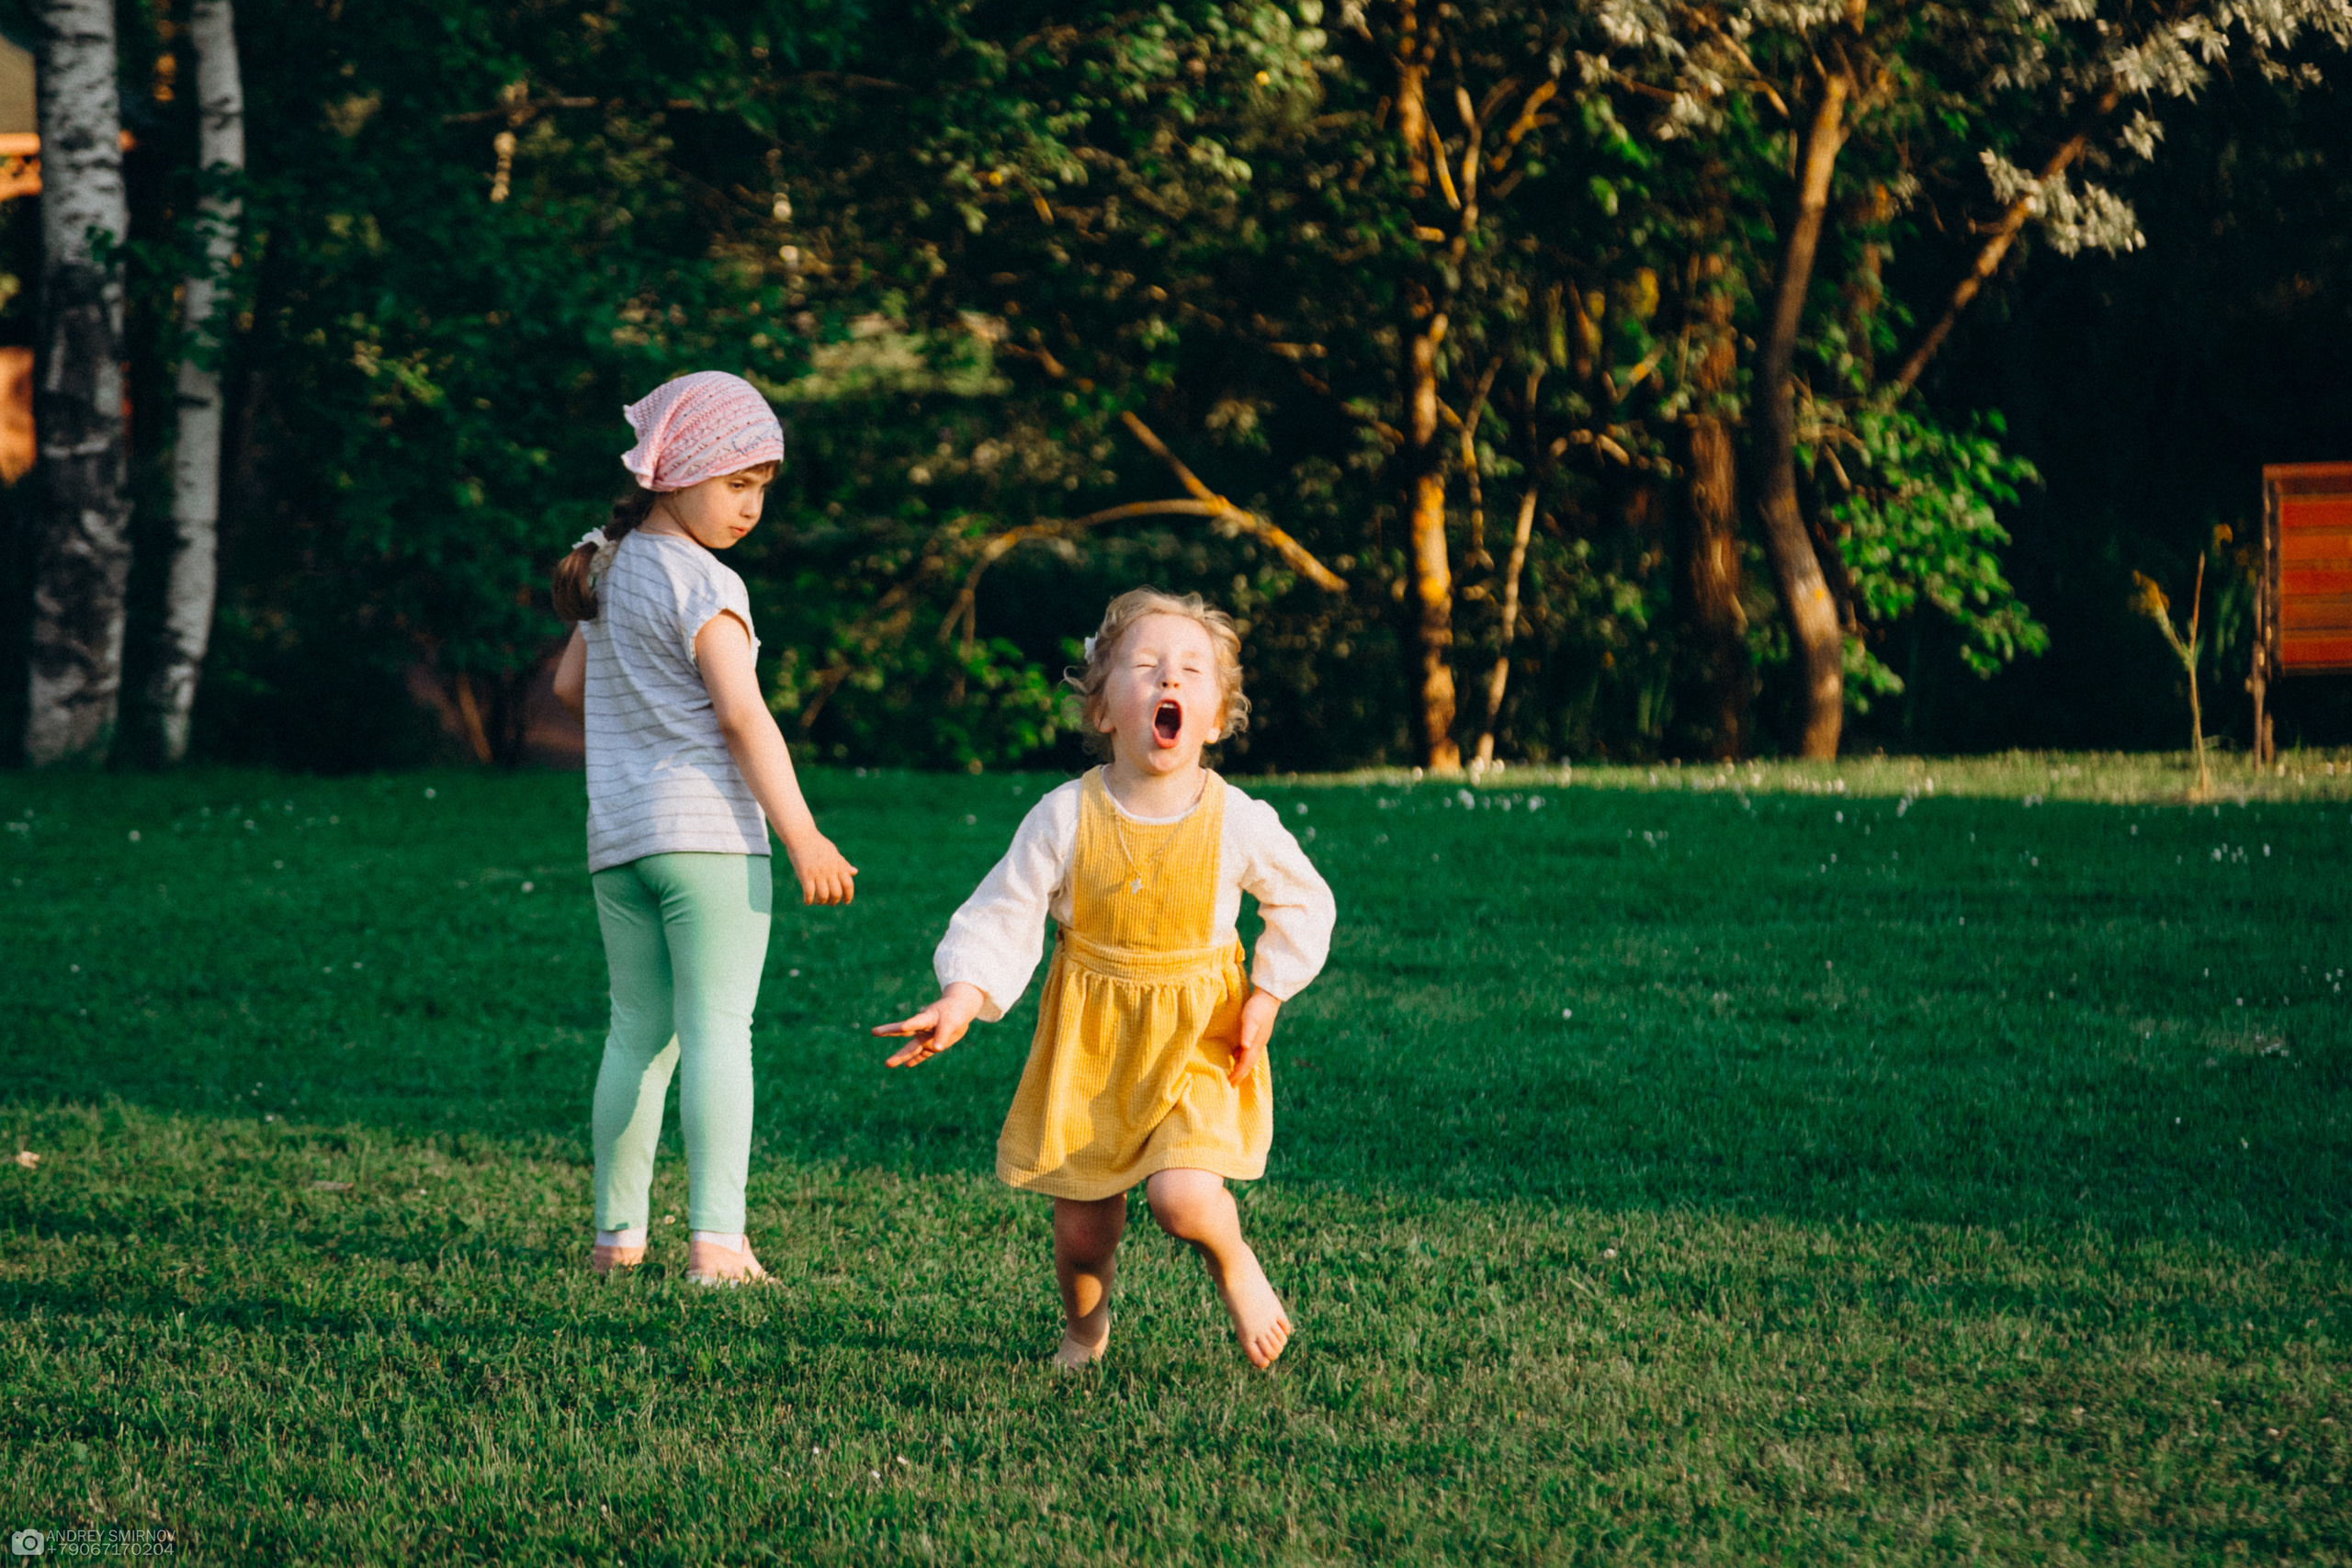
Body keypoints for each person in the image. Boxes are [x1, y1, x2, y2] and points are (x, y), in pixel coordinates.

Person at [874, 589, 1335, 1369]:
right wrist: (960, 997)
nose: (1170, 683)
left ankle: (1234, 1260)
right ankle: (1086, 1327)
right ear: (1102, 709)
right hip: (1093, 1052)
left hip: (1200, 1043)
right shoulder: (1063, 817)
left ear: (1216, 717)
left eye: (1192, 671)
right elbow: (1004, 912)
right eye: (1147, 668)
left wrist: (1268, 993)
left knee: (1182, 1199)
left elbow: (1304, 898)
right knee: (1085, 1233)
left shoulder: (1238, 820)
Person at [550, 371, 857, 1286]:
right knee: (721, 1031)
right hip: (713, 842)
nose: (751, 505)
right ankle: (718, 1246)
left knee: (636, 1035)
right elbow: (742, 717)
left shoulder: (607, 564)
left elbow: (572, 690)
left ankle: (617, 1241)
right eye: (735, 484)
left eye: (762, 486)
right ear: (672, 476)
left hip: (621, 842)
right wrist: (802, 835)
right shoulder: (705, 582)